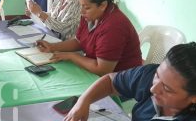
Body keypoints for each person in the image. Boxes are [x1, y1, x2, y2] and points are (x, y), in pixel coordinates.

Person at [37, 0, 142, 76]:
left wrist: (72, 56)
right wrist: (52, 47)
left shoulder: (114, 26)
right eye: (81, 6)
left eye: (86, 7)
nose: (82, 12)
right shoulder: (90, 15)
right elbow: (79, 41)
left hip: (122, 82)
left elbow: (102, 70)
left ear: (103, 5)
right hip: (98, 74)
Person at [64, 42, 196, 121]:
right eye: (158, 75)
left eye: (167, 89)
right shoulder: (148, 75)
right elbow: (110, 81)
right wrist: (83, 102)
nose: (153, 89)